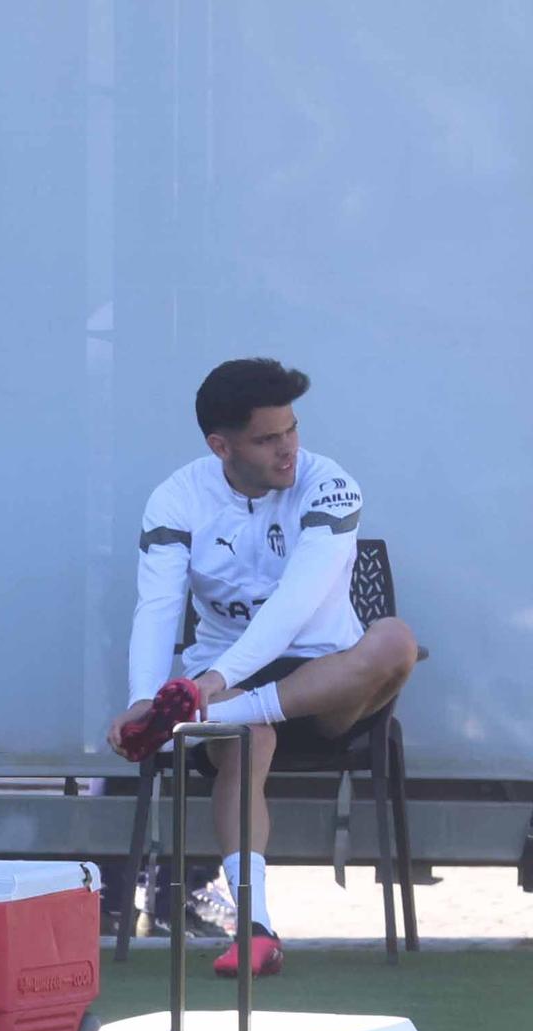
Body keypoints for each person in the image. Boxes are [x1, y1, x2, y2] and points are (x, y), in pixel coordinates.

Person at [110, 358, 419, 976]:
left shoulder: (330, 483)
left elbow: (293, 608)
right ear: (220, 446)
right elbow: (159, 604)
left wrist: (208, 690)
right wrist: (145, 697)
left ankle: (201, 714)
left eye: (292, 430)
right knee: (246, 741)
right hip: (226, 689)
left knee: (393, 640)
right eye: (267, 438)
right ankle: (255, 927)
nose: (288, 450)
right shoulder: (177, 497)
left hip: (322, 690)